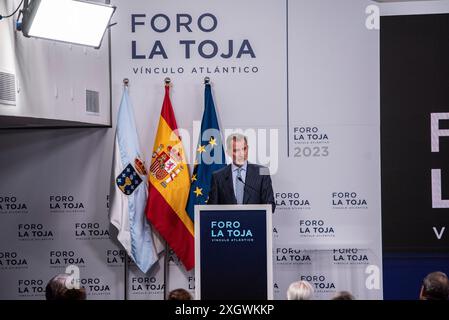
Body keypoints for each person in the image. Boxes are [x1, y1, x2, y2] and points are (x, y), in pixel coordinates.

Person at [207, 133, 275, 212]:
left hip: (254, 222)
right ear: (228, 152)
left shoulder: (262, 172)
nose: (241, 154)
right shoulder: (218, 176)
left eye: (244, 149)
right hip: (229, 223)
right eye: (236, 150)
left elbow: (270, 206)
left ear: (248, 148)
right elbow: (212, 209)